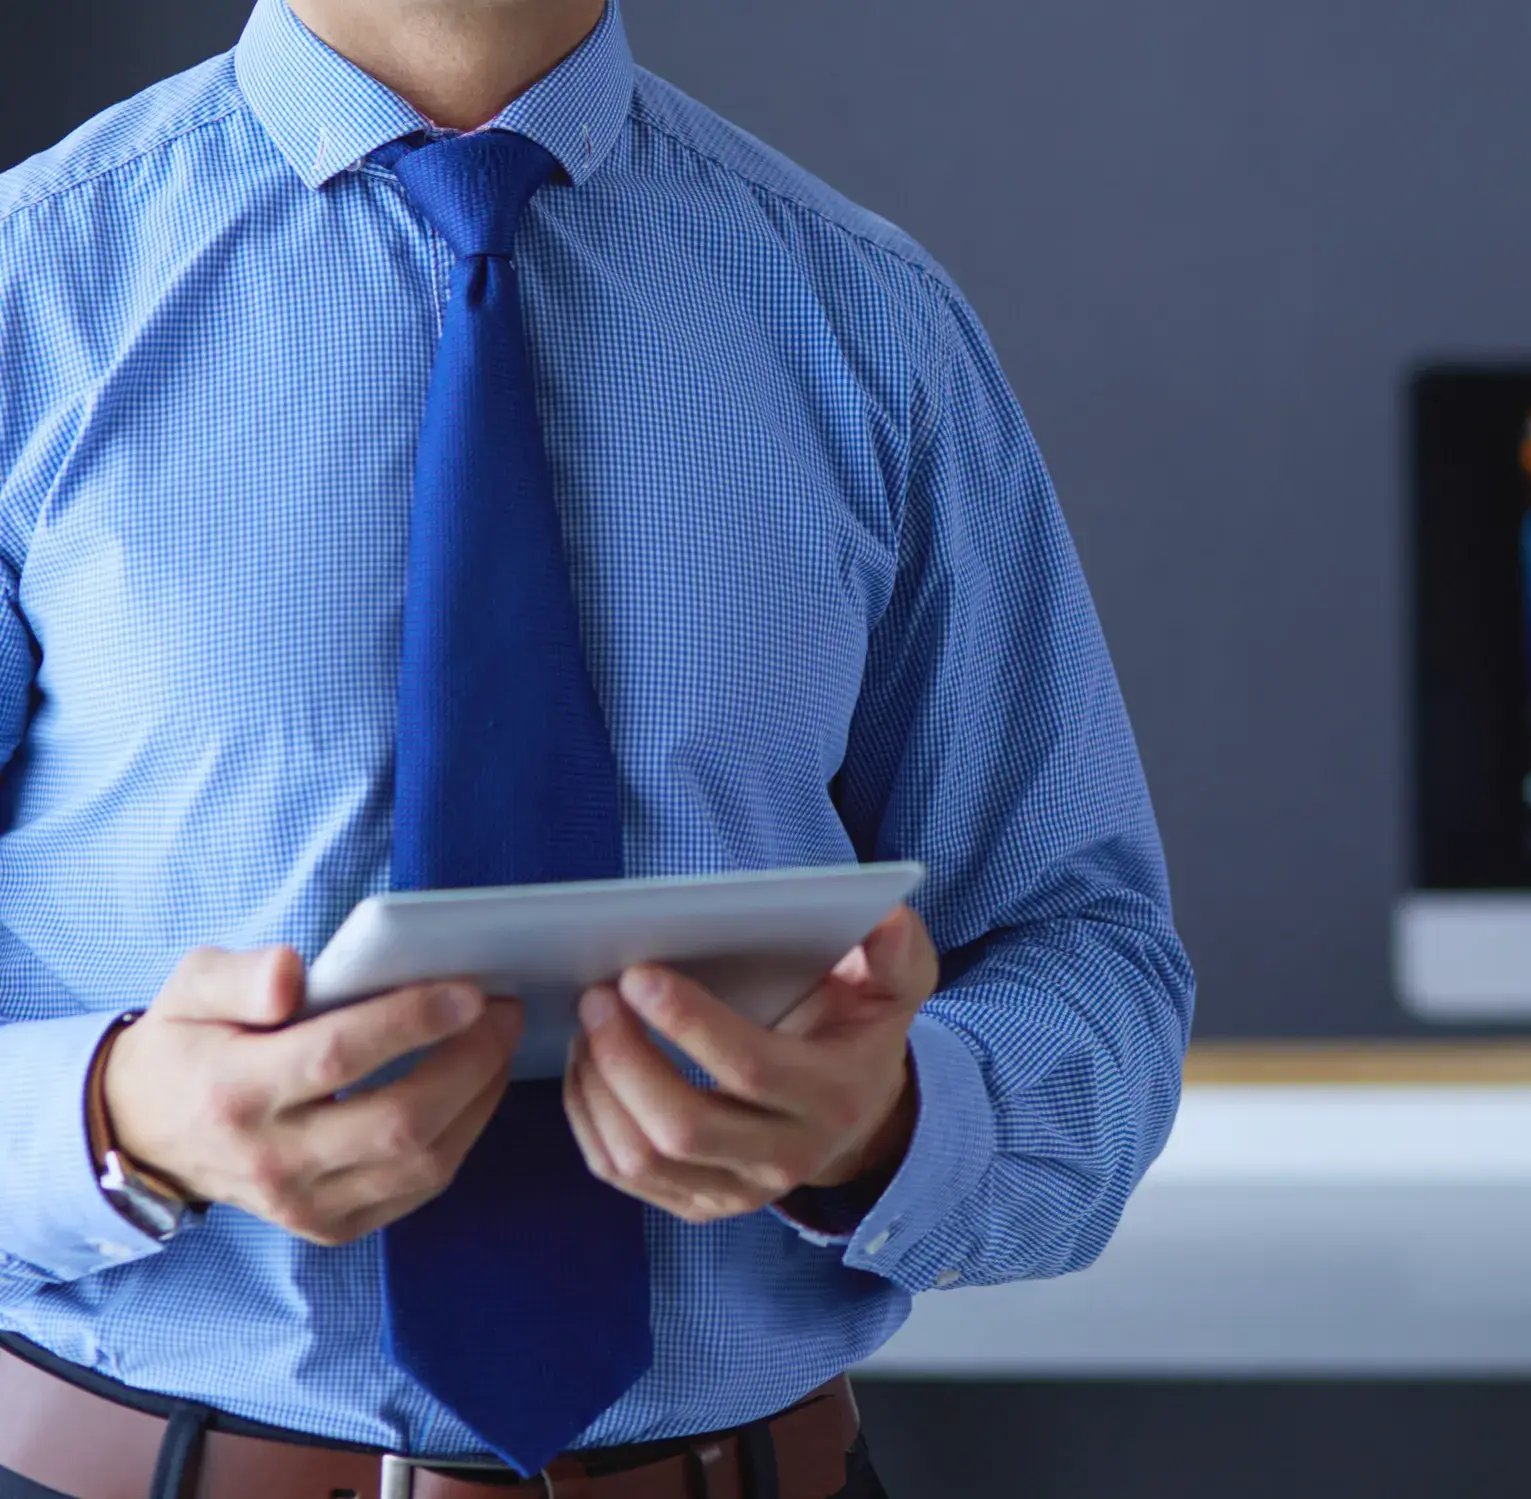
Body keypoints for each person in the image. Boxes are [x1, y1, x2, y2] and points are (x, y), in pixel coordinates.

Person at [0, 0, 1195, 1493]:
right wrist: (117, 1121)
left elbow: (1093, 966)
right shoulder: (29, 294)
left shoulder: (872, 324)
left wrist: (893, 1121)